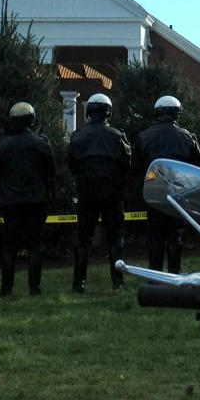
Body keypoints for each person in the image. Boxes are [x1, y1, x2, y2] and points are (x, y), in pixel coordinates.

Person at [67, 93, 131, 293]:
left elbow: (71, 165)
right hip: (112, 194)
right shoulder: (117, 136)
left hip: (86, 193)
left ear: (88, 113)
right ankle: (117, 281)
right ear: (108, 112)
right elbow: (126, 164)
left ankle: (79, 283)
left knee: (83, 238)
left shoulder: (77, 137)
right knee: (115, 238)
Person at [0, 102, 55, 296]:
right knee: (35, 245)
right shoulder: (41, 143)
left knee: (9, 246)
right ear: (32, 119)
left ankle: (6, 288)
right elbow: (50, 172)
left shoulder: (2, 145)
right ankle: (34, 288)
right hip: (36, 200)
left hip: (10, 201)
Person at [132, 95, 200, 273]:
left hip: (153, 192)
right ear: (177, 114)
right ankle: (174, 275)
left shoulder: (144, 137)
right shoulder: (187, 138)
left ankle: (154, 276)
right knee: (175, 234)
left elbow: (137, 167)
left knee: (155, 234)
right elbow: (196, 166)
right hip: (178, 193)